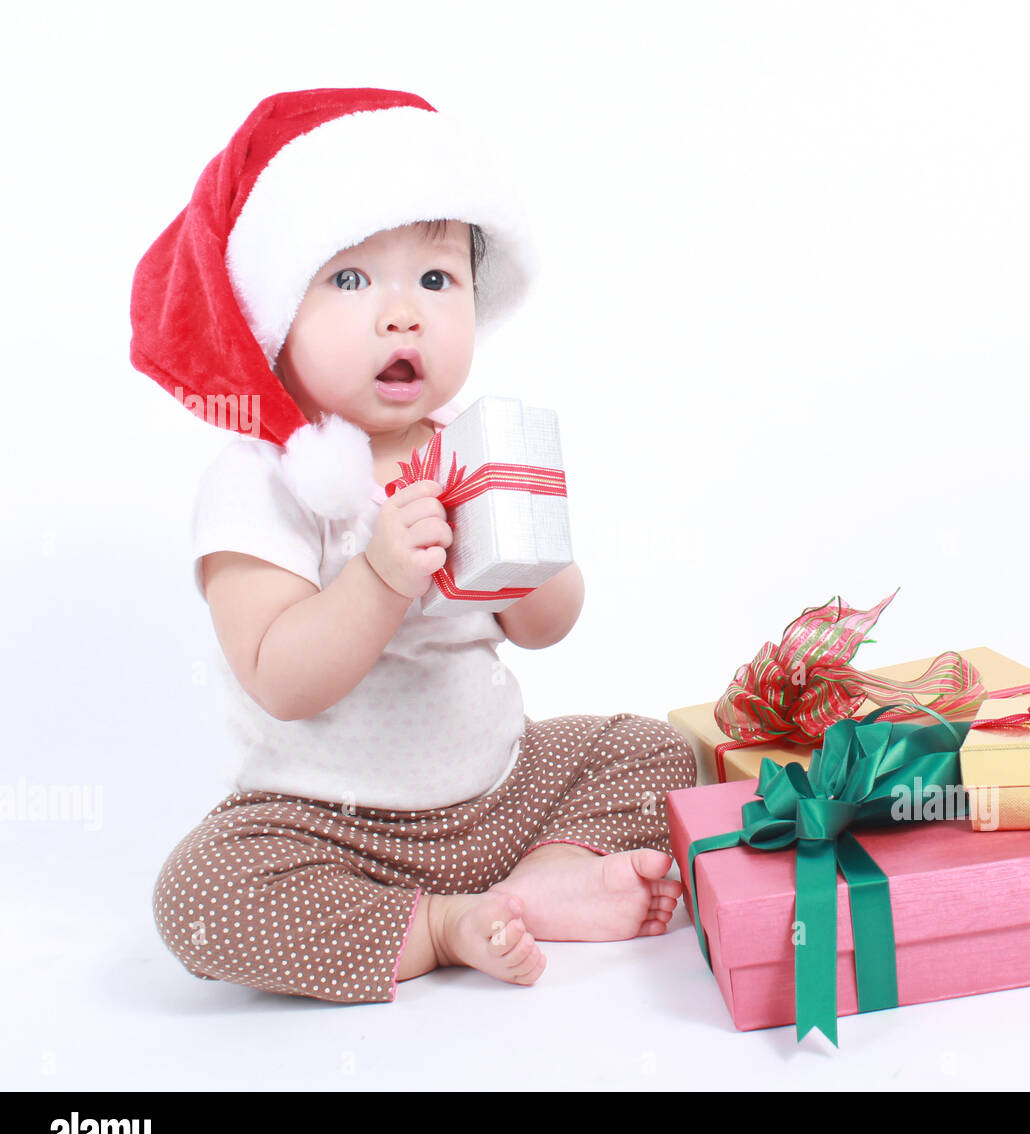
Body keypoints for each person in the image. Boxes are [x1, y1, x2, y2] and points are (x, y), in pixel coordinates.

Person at [130, 87, 696, 1004]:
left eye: (436, 281)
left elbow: (547, 627)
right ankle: (432, 927)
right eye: (351, 280)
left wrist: (529, 547)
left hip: (502, 790)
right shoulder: (265, 479)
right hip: (326, 825)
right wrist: (383, 577)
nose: (403, 315)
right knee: (198, 899)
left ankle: (545, 875)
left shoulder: (470, 447)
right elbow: (280, 673)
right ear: (275, 318)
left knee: (658, 748)